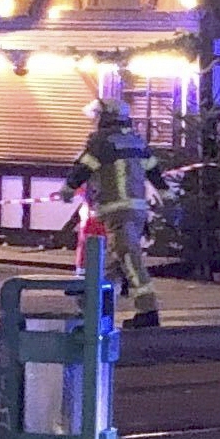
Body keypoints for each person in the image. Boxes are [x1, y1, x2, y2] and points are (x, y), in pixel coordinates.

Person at [61, 98, 169, 328]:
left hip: (115, 211)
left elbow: (83, 168)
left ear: (106, 118)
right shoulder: (136, 141)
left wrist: (68, 189)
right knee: (109, 264)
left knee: (129, 259)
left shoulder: (102, 142)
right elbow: (153, 170)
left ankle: (147, 311)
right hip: (136, 211)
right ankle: (93, 310)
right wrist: (164, 193)